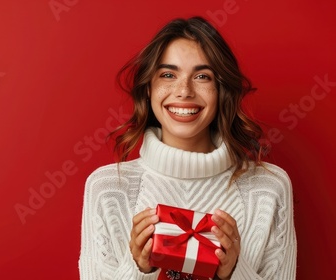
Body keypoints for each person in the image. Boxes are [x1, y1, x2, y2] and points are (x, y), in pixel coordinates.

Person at [78, 16, 297, 280]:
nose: (184, 91)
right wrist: (138, 269)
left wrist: (233, 272)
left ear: (221, 90)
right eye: (168, 75)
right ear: (148, 88)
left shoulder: (268, 188)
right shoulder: (108, 189)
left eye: (202, 76)